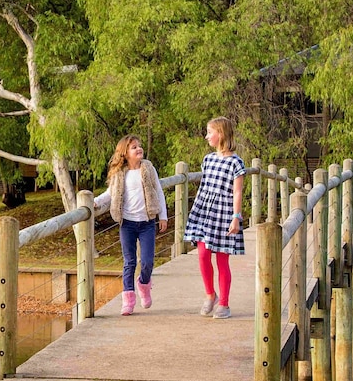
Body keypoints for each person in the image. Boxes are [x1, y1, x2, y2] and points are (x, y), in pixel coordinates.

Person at [94, 135, 168, 316]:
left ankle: (143, 284)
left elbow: (158, 191)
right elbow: (109, 194)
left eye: (139, 146)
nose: (138, 149)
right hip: (127, 224)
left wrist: (163, 216)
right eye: (134, 147)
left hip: (147, 223)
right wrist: (94, 202)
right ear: (125, 153)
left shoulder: (148, 168)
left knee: (148, 261)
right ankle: (128, 300)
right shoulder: (120, 174)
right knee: (129, 262)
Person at [183, 117, 245, 319]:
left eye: (210, 132)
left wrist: (236, 217)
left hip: (224, 212)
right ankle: (210, 294)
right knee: (202, 254)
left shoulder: (236, 162)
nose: (207, 136)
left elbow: (237, 192)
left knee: (222, 259)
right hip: (205, 210)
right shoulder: (208, 159)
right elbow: (205, 185)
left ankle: (224, 303)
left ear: (221, 133)